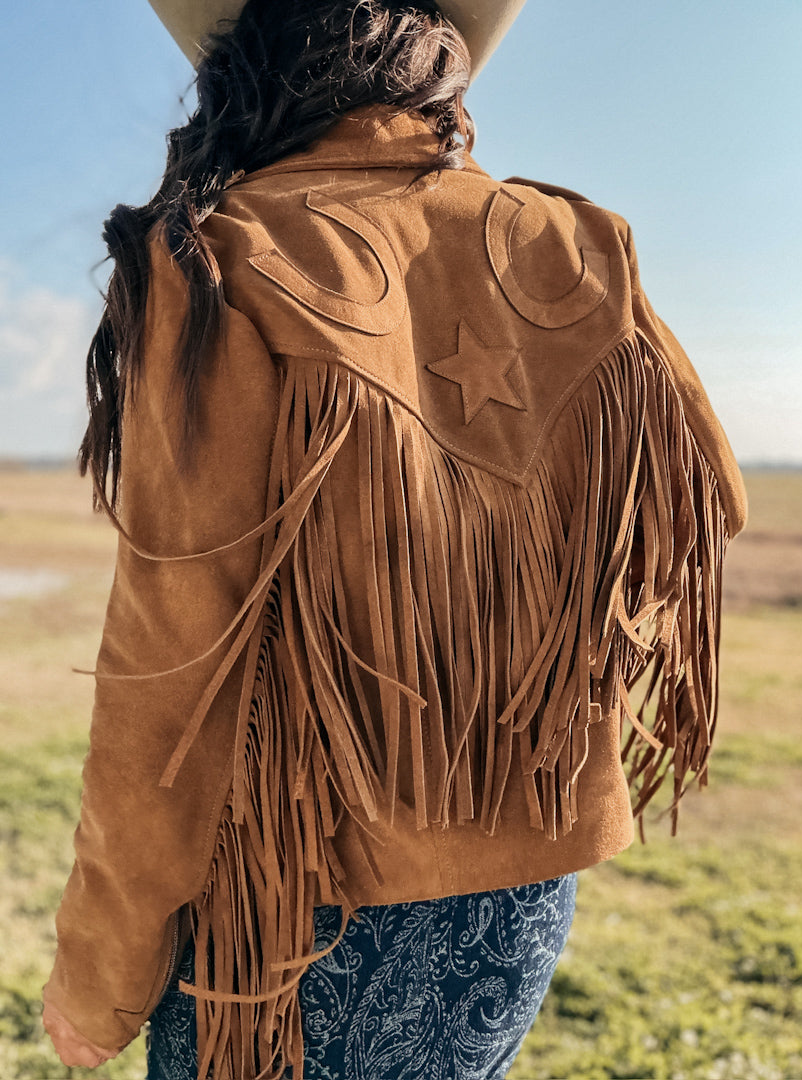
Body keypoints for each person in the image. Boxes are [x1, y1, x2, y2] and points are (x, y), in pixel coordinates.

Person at [41, 1, 748, 1078]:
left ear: (246, 64)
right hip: (523, 899)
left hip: (302, 918)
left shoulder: (223, 252)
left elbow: (172, 673)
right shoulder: (573, 238)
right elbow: (696, 513)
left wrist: (98, 973)